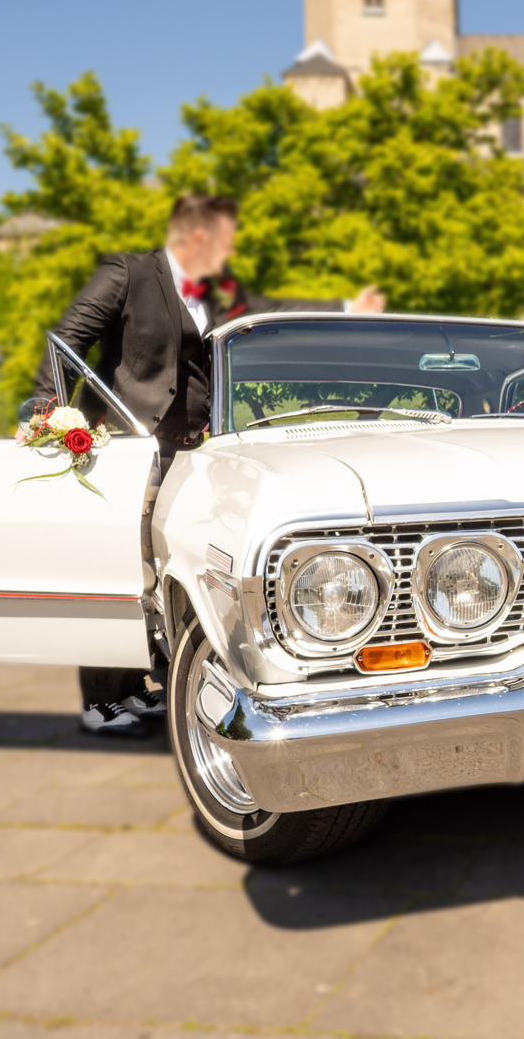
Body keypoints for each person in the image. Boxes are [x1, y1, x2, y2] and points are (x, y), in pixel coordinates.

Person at [29, 192, 385, 738]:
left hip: (196, 448)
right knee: (123, 564)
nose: (230, 250)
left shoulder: (219, 296)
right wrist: (46, 413)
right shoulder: (126, 273)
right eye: (226, 240)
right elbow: (67, 339)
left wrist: (346, 309)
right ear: (198, 238)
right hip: (129, 448)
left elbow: (273, 311)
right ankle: (101, 700)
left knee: (178, 561)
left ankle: (145, 684)